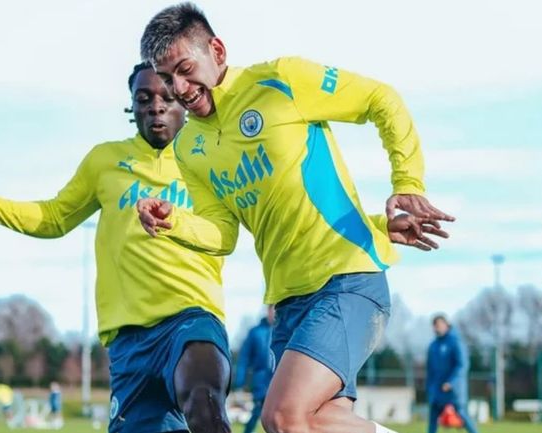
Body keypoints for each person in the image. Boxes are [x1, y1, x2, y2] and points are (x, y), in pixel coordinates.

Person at [136, 4, 454, 433]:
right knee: (323, 421)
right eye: (166, 76)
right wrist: (176, 220)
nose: (179, 88)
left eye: (186, 68)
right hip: (287, 304)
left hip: (348, 280)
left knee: (282, 416)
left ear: (217, 49)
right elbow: (222, 232)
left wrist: (408, 181)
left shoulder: (280, 81)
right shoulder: (189, 147)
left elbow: (382, 99)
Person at [0, 63, 233, 433]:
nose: (156, 107)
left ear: (184, 101)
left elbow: (228, 233)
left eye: (167, 97)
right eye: (143, 99)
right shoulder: (105, 161)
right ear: (132, 108)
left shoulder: (209, 157)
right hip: (130, 342)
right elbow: (53, 218)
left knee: (204, 399)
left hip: (191, 319)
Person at [426, 315, 478, 433]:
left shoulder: (456, 342)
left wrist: (451, 382)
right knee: (433, 418)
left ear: (446, 325)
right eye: (434, 325)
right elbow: (430, 369)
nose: (436, 328)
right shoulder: (433, 345)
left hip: (454, 390)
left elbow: (462, 365)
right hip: (437, 390)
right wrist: (429, 387)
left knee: (462, 414)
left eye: (439, 325)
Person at [234, 306, 275, 433]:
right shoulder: (255, 332)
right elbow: (244, 358)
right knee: (257, 411)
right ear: (268, 310)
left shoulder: (285, 330)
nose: (274, 312)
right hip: (261, 381)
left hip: (280, 379)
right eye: (272, 309)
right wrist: (239, 382)